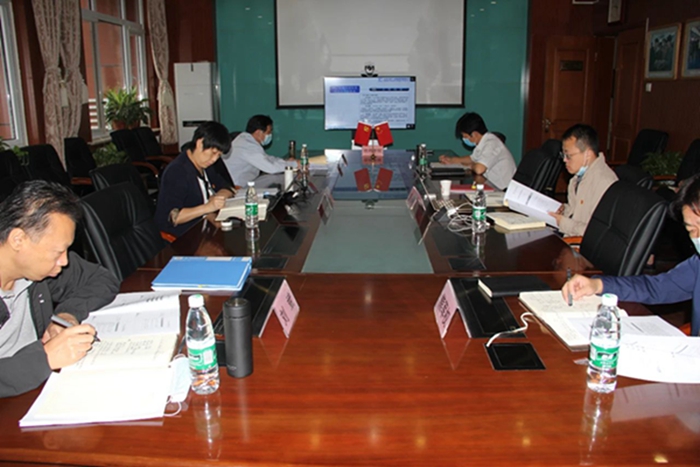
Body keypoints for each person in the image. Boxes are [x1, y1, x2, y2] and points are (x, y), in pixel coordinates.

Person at [0, 181, 120, 397]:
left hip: (38, 388)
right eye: (57, 252)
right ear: (18, 240)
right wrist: (45, 357)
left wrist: (66, 315)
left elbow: (102, 279)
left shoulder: (36, 271)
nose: (64, 262)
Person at [562, 172, 700, 337]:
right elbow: (657, 287)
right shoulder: (697, 264)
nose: (697, 236)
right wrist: (598, 285)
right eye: (691, 230)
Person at [155, 121, 235, 238]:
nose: (214, 159)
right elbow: (173, 217)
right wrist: (208, 207)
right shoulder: (177, 171)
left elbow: (226, 186)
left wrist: (220, 196)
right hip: (180, 236)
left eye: (218, 155)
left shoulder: (205, 165)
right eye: (213, 153)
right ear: (200, 143)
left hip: (203, 227)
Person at [548, 124, 618, 238]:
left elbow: (596, 231)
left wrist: (564, 223)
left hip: (582, 245)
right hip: (570, 237)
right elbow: (577, 212)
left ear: (587, 154)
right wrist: (563, 210)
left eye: (569, 156)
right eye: (563, 155)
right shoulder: (577, 178)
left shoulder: (604, 183)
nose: (564, 160)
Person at [438, 112, 516, 190]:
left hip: (504, 190)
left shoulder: (491, 144)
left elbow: (479, 169)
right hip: (492, 185)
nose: (464, 139)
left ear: (475, 134)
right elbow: (472, 158)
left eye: (465, 136)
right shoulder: (483, 142)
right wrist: (451, 160)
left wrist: (471, 166)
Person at [222, 114, 296, 188]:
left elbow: (267, 158)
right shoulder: (248, 145)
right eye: (268, 132)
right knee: (276, 179)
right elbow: (271, 168)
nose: (270, 135)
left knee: (275, 178)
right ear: (258, 132)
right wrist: (294, 165)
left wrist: (285, 162)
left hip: (245, 182)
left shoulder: (246, 141)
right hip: (236, 187)